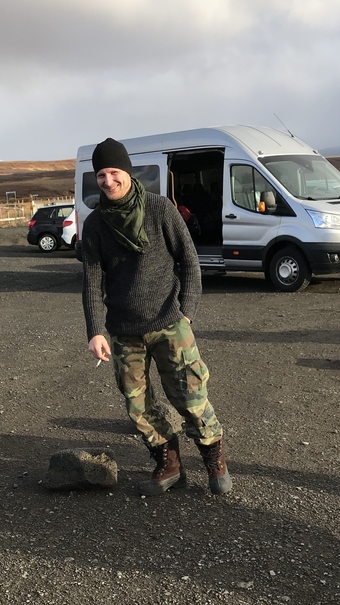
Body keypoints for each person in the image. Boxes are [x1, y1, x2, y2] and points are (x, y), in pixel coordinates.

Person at [81, 137, 232, 496]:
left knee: (191, 397)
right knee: (138, 406)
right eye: (101, 175)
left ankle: (215, 462)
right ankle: (170, 465)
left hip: (169, 324)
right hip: (124, 331)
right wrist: (95, 331)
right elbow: (91, 282)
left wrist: (187, 313)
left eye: (114, 172)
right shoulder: (95, 224)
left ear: (127, 172)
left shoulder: (159, 209)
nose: (108, 181)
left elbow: (189, 261)